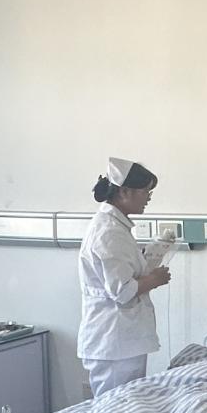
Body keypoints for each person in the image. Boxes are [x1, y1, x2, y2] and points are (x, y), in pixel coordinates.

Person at [77, 157, 170, 398]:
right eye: (146, 191)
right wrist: (156, 278)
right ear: (124, 192)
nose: (148, 198)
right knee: (116, 409)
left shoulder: (115, 227)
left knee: (127, 408)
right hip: (114, 342)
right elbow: (122, 291)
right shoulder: (109, 232)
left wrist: (149, 258)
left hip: (121, 341)